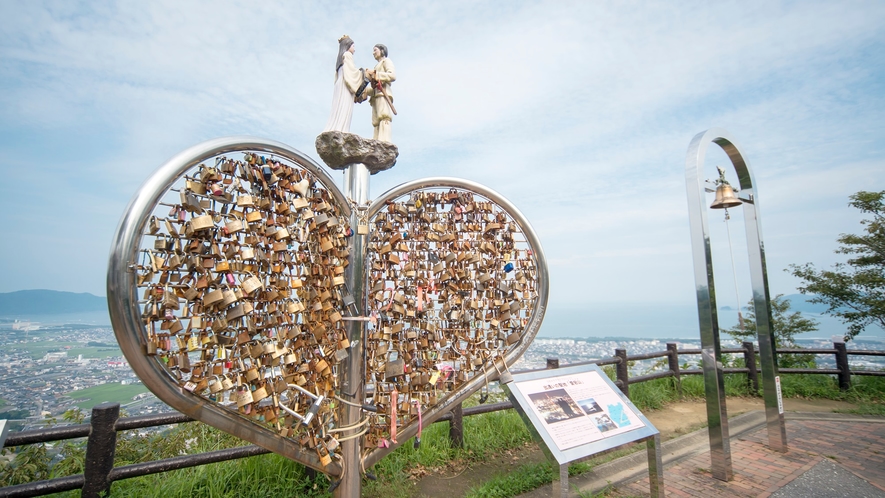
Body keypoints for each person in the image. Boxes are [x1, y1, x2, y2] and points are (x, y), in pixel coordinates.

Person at [323, 35, 364, 133]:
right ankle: (342, 129)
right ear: (348, 45)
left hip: (339, 84)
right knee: (344, 106)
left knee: (337, 106)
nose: (354, 49)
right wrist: (362, 74)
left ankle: (334, 126)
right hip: (345, 84)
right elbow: (351, 71)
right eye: (353, 46)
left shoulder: (340, 58)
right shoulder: (347, 55)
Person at [366, 44, 396, 143]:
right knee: (376, 121)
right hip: (376, 95)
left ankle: (385, 140)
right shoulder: (377, 65)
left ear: (382, 50)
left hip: (383, 94)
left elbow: (392, 76)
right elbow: (374, 85)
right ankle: (376, 140)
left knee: (384, 116)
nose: (373, 52)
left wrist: (376, 75)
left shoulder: (386, 61)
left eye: (375, 50)